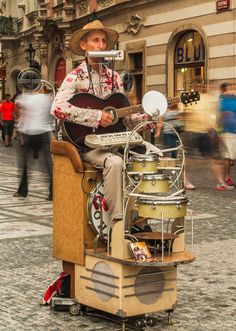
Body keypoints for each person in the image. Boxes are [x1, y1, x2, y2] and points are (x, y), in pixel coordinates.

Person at [51, 17, 147, 226]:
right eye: (95, 40)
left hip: (115, 140)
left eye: (103, 41)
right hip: (87, 142)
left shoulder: (115, 77)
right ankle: (117, 224)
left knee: (151, 154)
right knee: (115, 162)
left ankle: (142, 217)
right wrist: (95, 116)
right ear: (84, 46)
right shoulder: (75, 76)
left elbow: (124, 116)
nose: (101, 45)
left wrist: (143, 119)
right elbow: (57, 108)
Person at [183, 91, 234, 191]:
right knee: (188, 158)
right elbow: (183, 113)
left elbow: (214, 114)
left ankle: (220, 183)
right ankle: (184, 181)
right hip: (192, 130)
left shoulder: (210, 98)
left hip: (207, 131)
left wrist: (215, 128)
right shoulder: (190, 96)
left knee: (214, 157)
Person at [13, 89, 54, 200]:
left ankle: (22, 191)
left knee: (24, 165)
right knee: (49, 165)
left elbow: (19, 114)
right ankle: (53, 193)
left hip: (28, 133)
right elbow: (52, 113)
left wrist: (18, 128)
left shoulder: (23, 97)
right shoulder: (47, 98)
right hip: (44, 132)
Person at [218, 82, 236, 187]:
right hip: (227, 132)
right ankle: (227, 178)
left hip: (231, 132)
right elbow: (219, 116)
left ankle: (227, 178)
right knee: (227, 157)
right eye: (232, 88)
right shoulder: (224, 101)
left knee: (228, 157)